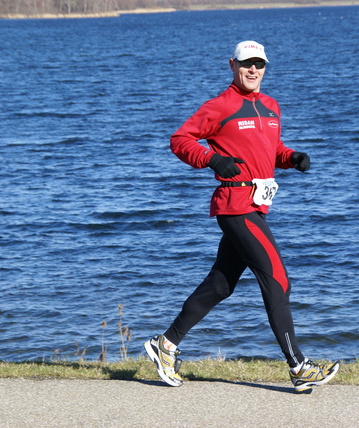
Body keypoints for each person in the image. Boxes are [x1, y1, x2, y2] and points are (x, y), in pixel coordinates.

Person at [144, 41, 339, 392]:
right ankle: (298, 366)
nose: (253, 70)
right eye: (246, 64)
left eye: (259, 64)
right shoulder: (221, 105)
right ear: (232, 65)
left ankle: (166, 344)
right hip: (236, 206)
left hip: (257, 204)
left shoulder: (271, 107)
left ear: (265, 67)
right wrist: (211, 159)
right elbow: (180, 139)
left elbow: (269, 150)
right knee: (277, 279)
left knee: (220, 285)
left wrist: (291, 157)